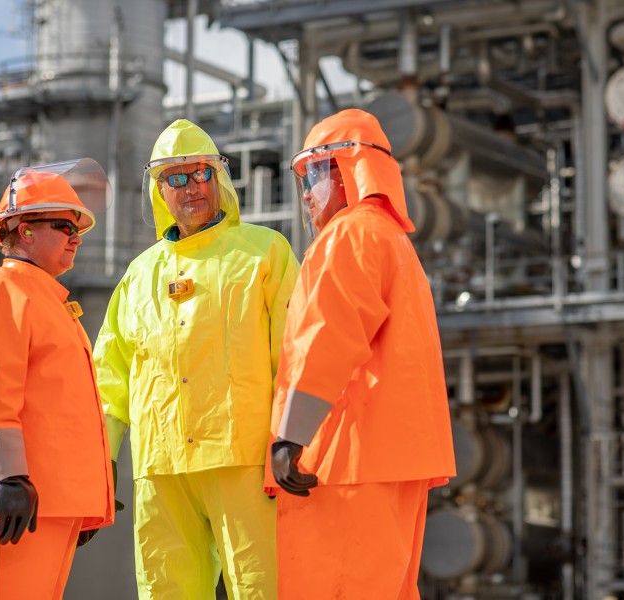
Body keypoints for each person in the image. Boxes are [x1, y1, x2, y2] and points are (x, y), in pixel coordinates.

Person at [93, 119, 299, 599]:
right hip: (159, 468)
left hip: (243, 460)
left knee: (263, 587)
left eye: (201, 173)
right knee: (166, 591)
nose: (192, 188)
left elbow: (292, 355)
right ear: (158, 189)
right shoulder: (138, 276)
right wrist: (99, 464)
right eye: (176, 178)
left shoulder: (264, 253)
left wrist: (291, 437)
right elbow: (109, 380)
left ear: (220, 178)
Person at [265, 108, 456, 598]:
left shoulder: (348, 236)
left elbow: (329, 338)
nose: (306, 194)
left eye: (312, 175)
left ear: (347, 169)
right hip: (391, 463)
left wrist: (291, 436)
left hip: (345, 461)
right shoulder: (392, 240)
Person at [0, 159, 115, 599]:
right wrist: (8, 479)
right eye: (63, 225)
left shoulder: (47, 301)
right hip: (13, 501)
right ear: (23, 228)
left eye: (78, 228)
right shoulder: (2, 293)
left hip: (47, 504)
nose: (76, 237)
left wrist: (87, 494)